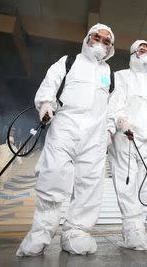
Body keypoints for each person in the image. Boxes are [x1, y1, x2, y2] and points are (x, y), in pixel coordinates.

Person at [16, 23, 115, 256]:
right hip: (64, 130)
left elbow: (111, 108)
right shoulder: (69, 62)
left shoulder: (109, 74)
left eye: (106, 41)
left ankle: (76, 234)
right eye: (97, 37)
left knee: (89, 186)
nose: (100, 43)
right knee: (52, 178)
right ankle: (40, 234)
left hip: (94, 138)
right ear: (87, 38)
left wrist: (109, 131)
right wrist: (46, 105)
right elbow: (49, 86)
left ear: (111, 47)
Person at [107, 40, 147, 250]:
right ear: (133, 54)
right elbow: (116, 102)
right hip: (126, 137)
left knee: (141, 185)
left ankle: (140, 229)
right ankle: (130, 232)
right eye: (141, 51)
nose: (145, 54)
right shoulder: (121, 76)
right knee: (127, 183)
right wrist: (121, 121)